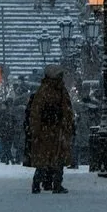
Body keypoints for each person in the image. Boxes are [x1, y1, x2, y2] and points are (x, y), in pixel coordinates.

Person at [24, 66, 75, 194]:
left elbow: (66, 110)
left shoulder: (49, 90)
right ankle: (50, 183)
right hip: (50, 129)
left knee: (52, 158)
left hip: (54, 129)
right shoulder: (50, 91)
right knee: (51, 158)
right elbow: (38, 112)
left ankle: (47, 183)